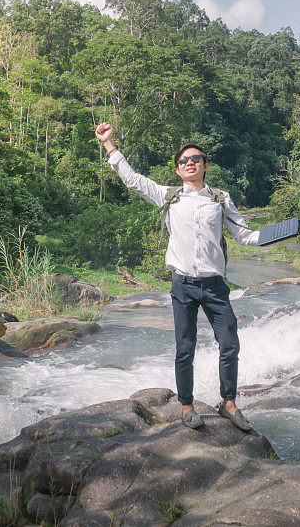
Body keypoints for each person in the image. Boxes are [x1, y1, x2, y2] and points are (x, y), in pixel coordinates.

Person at [95, 122, 260, 431]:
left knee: (230, 345)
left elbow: (245, 235)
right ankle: (186, 407)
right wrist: (109, 144)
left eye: (195, 159)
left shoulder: (221, 199)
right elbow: (131, 180)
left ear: (205, 165)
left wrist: (280, 234)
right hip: (182, 285)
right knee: (185, 349)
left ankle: (229, 404)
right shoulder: (168, 197)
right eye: (183, 161)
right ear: (177, 169)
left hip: (214, 286)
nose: (189, 163)